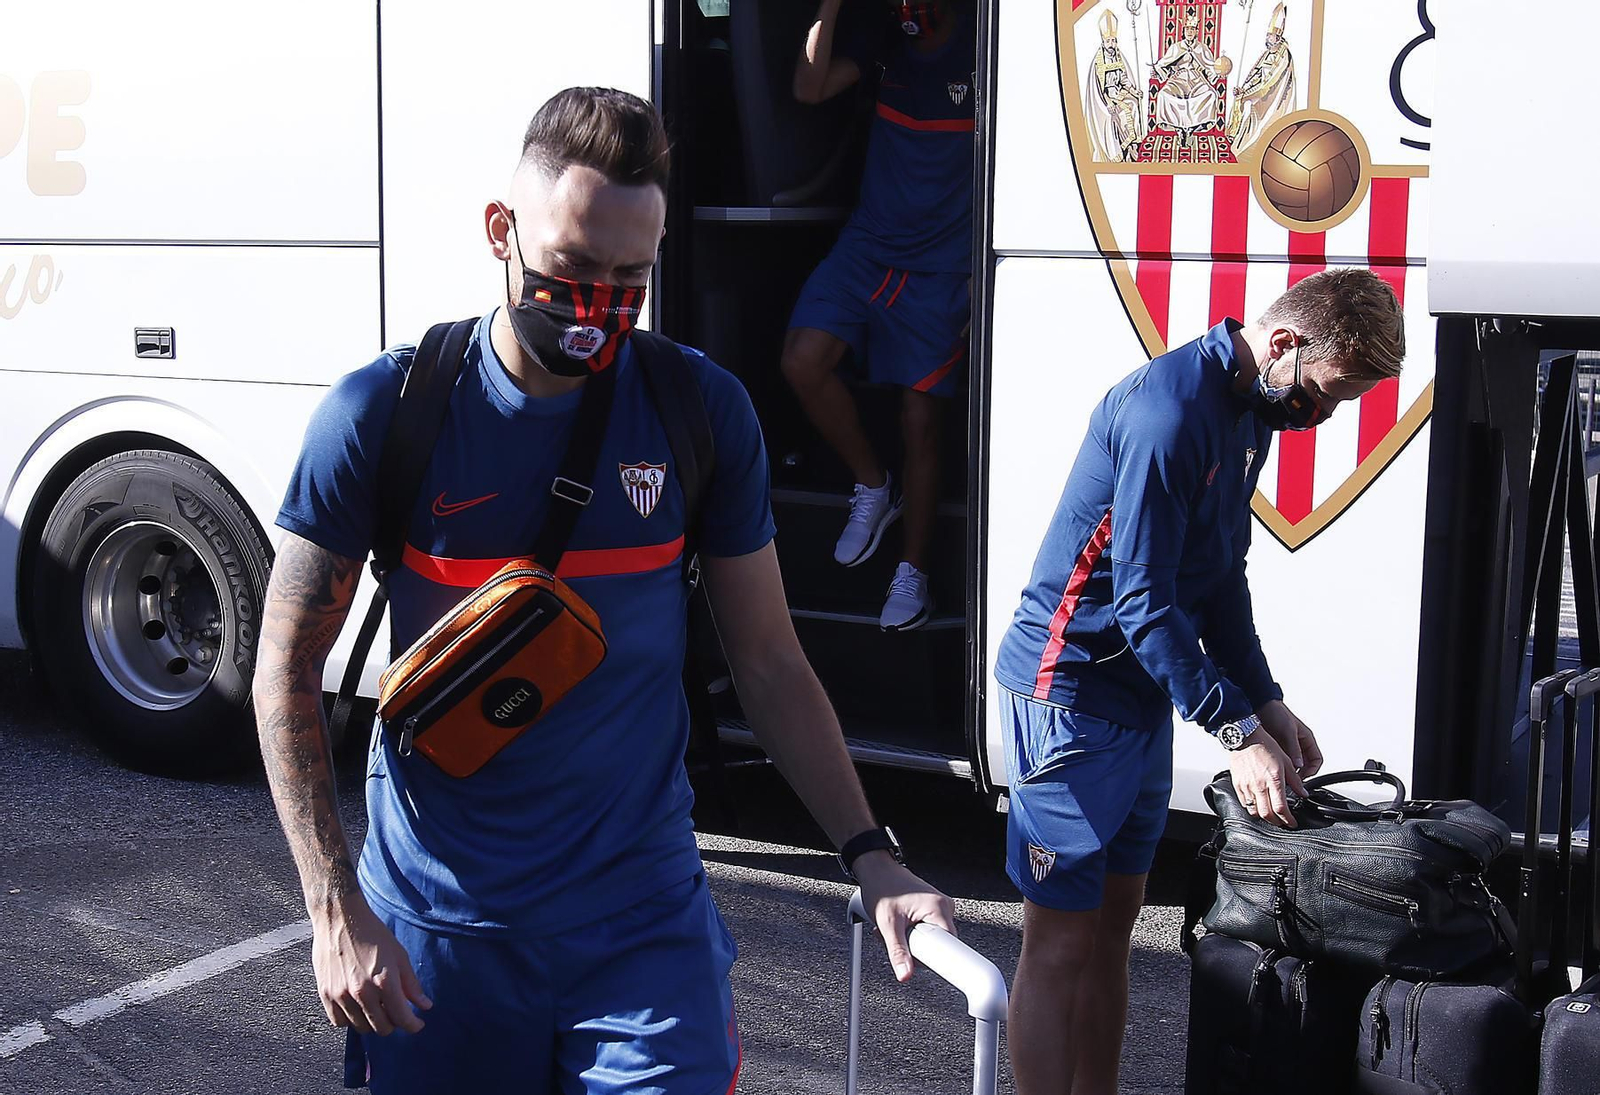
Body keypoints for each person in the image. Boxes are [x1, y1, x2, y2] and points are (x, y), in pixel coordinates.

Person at [254, 86, 954, 1095]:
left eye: (631, 277)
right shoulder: (387, 411)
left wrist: (870, 853)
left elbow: (768, 661)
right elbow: (284, 669)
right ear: (501, 232)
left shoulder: (697, 411)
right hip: (439, 937)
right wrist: (333, 912)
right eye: (574, 267)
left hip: (641, 930)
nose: (597, 306)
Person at [991, 269, 1406, 1095]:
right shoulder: (1171, 411)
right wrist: (1234, 729)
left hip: (1141, 696)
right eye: (1327, 394)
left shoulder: (1247, 410)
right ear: (1283, 344)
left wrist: (1266, 701)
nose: (1322, 416)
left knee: (1114, 930)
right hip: (1067, 693)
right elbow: (1143, 601)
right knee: (1062, 942)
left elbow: (1220, 580)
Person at [782, 0, 976, 631]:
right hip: (869, 246)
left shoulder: (983, 44)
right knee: (803, 361)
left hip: (944, 260)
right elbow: (809, 87)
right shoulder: (884, 37)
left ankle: (913, 572)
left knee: (921, 418)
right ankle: (873, 484)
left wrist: (985, 273)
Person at [1227, 2, 1296, 154]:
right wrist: (1244, 88)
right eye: (1267, 35)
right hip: (1260, 92)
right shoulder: (1268, 53)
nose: (1267, 37)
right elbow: (1256, 74)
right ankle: (1233, 135)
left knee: (1248, 109)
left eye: (1270, 35)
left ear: (1277, 37)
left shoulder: (1283, 55)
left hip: (1271, 97)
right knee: (1240, 99)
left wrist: (1248, 94)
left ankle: (1242, 145)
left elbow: (1269, 82)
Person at [1152, 12, 1221, 143]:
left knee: (1211, 94)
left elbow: (1211, 67)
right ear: (1183, 31)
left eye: (1192, 29)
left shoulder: (1202, 48)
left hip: (1197, 79)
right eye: (1187, 29)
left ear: (1196, 31)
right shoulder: (1176, 47)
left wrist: (1218, 72)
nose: (1190, 32)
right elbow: (1163, 64)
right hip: (1178, 79)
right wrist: (1157, 70)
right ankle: (1178, 128)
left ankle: (1193, 128)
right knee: (1163, 95)